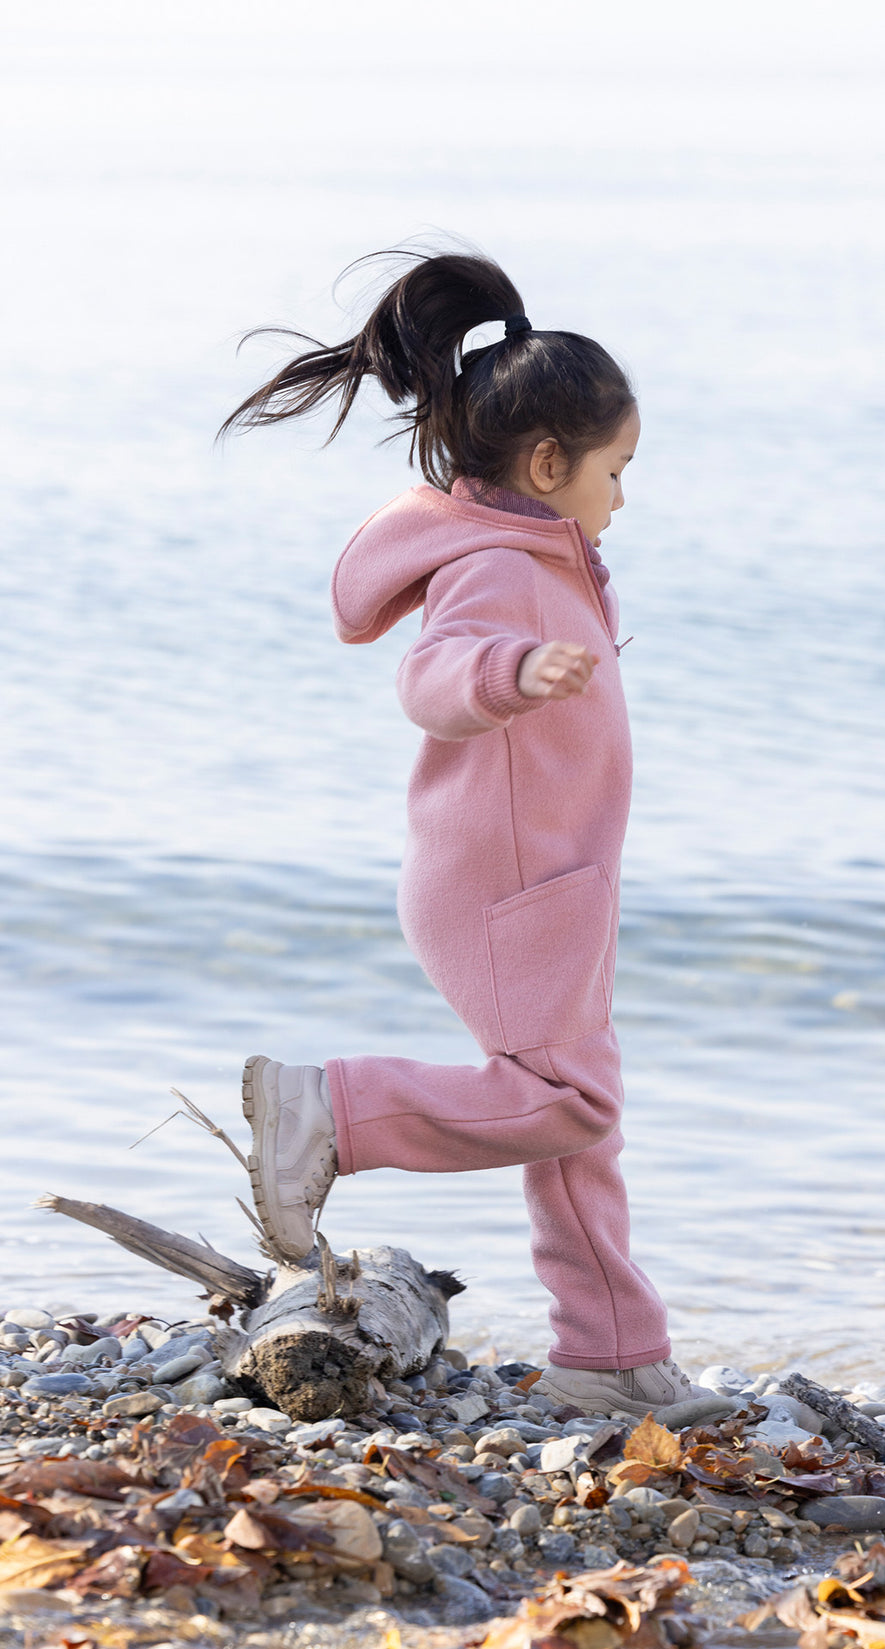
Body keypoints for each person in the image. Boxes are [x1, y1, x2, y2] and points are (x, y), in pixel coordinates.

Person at [219, 250, 707, 1417]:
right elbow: (432, 678)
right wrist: (511, 669)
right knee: (571, 1104)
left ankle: (611, 1353)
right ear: (548, 464)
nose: (621, 495)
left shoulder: (544, 550)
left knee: (575, 1118)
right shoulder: (497, 562)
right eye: (614, 468)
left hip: (553, 885)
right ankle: (332, 1109)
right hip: (504, 890)